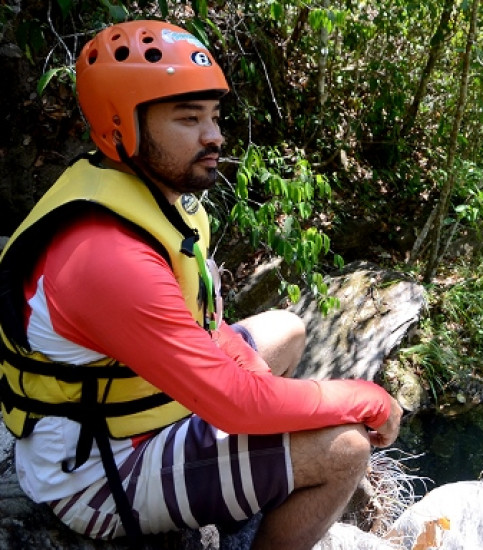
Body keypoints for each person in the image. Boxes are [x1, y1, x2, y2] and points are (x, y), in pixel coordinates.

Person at [0, 19, 402, 549]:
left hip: (136, 411)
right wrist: (363, 395)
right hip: (95, 472)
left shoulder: (156, 200)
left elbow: (206, 326)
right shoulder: (106, 256)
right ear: (121, 126)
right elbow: (235, 404)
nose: (214, 135)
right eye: (189, 119)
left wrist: (261, 385)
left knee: (287, 329)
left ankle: (247, 485)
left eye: (213, 116)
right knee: (346, 447)